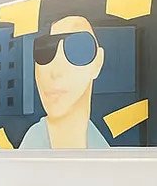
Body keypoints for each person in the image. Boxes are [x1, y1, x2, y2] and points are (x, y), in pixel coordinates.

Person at [19, 15, 110, 149]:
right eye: (44, 52)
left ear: (98, 62)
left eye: (77, 50)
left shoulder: (102, 148)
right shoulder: (30, 151)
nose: (56, 71)